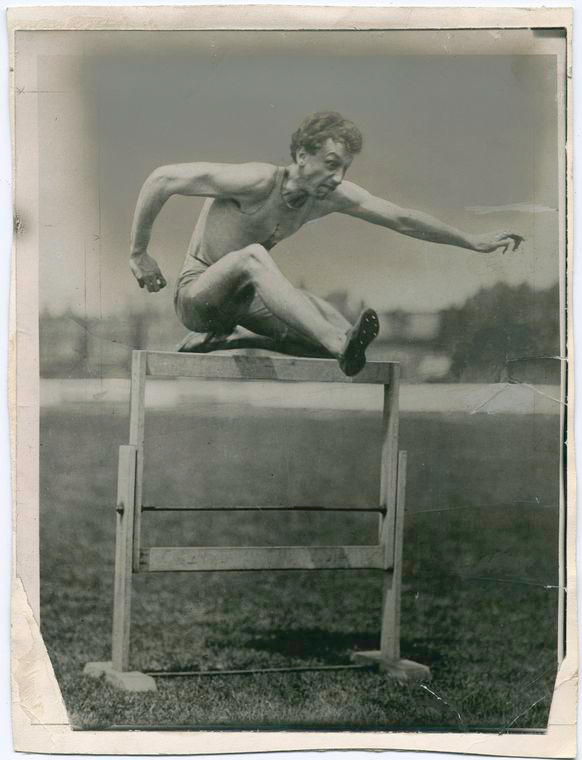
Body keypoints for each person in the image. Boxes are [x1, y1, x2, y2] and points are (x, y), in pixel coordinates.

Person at [129, 112, 523, 376]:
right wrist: (139, 253)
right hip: (197, 296)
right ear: (302, 155)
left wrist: (472, 241)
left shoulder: (326, 196)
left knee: (340, 332)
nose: (338, 177)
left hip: (243, 305)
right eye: (332, 164)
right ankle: (327, 340)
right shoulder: (257, 182)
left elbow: (402, 218)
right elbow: (162, 180)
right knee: (254, 258)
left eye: (345, 168)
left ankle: (239, 338)